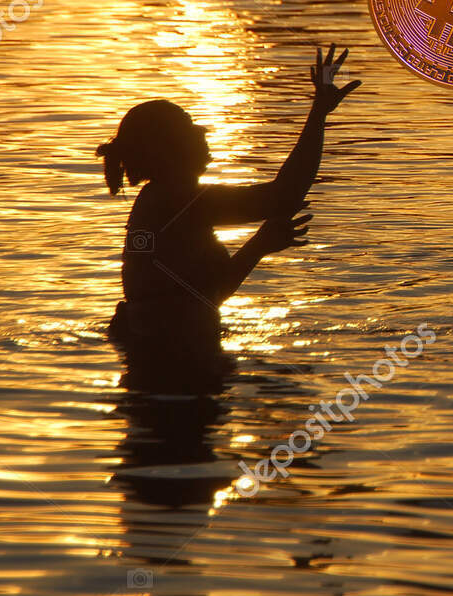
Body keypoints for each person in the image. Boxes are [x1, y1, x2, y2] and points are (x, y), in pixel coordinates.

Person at [97, 45, 361, 391]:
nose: (202, 132)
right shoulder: (175, 199)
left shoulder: (164, 200)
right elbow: (283, 196)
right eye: (190, 127)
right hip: (172, 364)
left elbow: (201, 296)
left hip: (168, 358)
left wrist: (258, 247)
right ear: (169, 149)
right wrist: (318, 114)